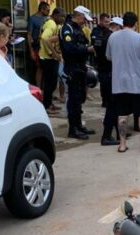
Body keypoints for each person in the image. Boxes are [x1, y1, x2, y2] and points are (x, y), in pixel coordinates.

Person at [106, 11, 140, 154]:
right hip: (139, 84)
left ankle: (122, 145)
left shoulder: (112, 37)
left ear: (123, 23)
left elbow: (109, 57)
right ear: (136, 23)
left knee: (122, 115)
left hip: (119, 84)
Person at [61, 6, 96, 140]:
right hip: (72, 70)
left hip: (80, 68)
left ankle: (79, 125)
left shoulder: (78, 28)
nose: (85, 22)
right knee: (74, 101)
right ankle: (73, 129)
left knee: (80, 99)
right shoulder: (67, 29)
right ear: (79, 16)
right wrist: (87, 50)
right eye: (84, 19)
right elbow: (69, 48)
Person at [98, 17, 123, 146]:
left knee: (113, 106)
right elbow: (111, 58)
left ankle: (118, 133)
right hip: (110, 75)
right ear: (117, 27)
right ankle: (106, 136)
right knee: (113, 107)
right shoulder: (112, 39)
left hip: (105, 75)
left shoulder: (104, 36)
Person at [40, 7, 66, 115]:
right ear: (55, 15)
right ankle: (46, 106)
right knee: (49, 84)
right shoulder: (51, 24)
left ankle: (49, 103)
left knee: (52, 83)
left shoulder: (54, 24)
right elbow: (45, 38)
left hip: (50, 57)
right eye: (61, 16)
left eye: (64, 17)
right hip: (48, 58)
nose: (63, 19)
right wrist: (54, 54)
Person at [91, 13, 112, 108]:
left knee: (110, 82)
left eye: (109, 21)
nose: (108, 23)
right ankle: (105, 100)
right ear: (101, 21)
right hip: (101, 61)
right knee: (104, 82)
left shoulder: (109, 31)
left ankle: (110, 99)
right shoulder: (96, 31)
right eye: (106, 21)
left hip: (110, 61)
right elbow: (97, 44)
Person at [28, 2, 50, 86]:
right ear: (42, 9)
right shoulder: (33, 19)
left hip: (47, 47)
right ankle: (38, 88)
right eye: (47, 10)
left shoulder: (47, 19)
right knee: (39, 68)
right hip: (37, 47)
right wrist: (31, 51)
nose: (49, 12)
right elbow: (29, 34)